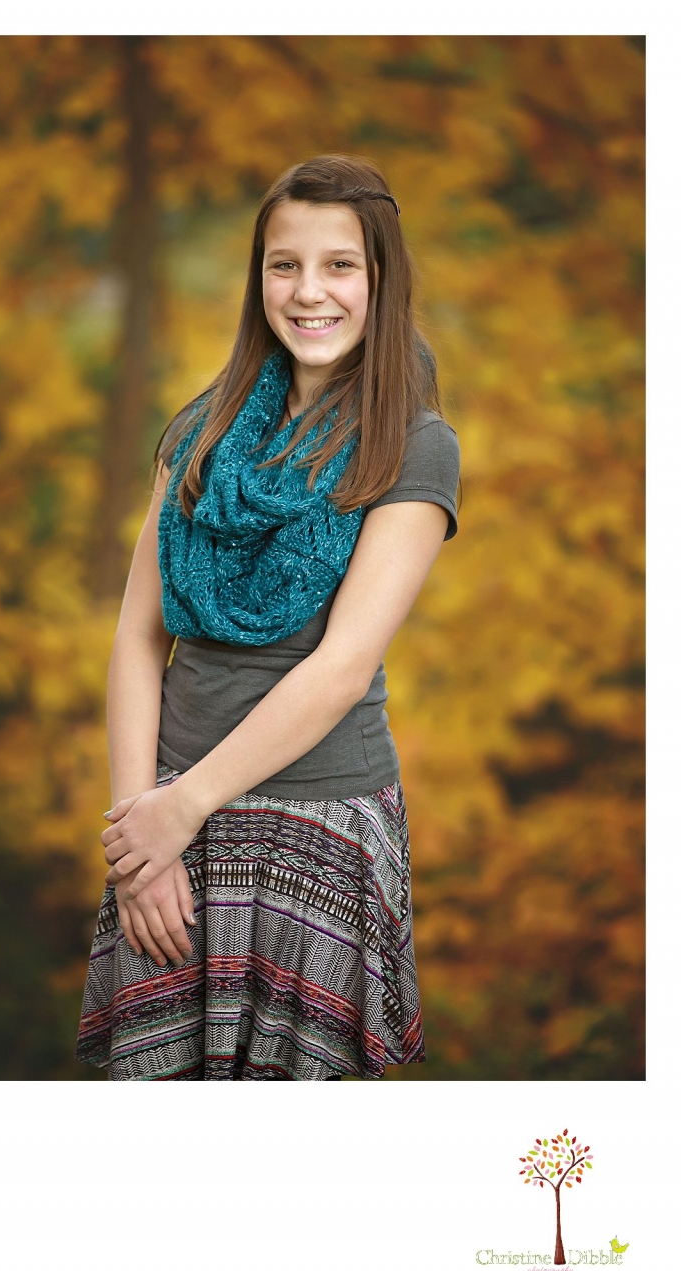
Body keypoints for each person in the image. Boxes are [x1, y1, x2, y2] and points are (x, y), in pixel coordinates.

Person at [75, 154, 461, 1081]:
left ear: (380, 279)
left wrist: (181, 809)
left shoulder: (414, 446)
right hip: (166, 819)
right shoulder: (201, 431)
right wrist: (143, 839)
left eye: (340, 266)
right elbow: (138, 635)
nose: (309, 291)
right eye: (284, 264)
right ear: (258, 280)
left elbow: (338, 668)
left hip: (316, 821)